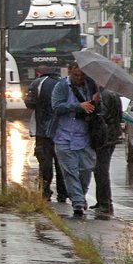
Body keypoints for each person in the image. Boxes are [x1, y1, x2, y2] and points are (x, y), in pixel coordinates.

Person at [49, 61, 99, 217]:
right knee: (70, 171)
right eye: (76, 75)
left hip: (85, 136)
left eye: (82, 75)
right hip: (64, 136)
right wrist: (78, 106)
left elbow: (96, 111)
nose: (79, 78)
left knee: (86, 169)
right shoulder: (62, 86)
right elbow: (56, 107)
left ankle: (80, 196)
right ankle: (77, 202)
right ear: (70, 72)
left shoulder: (91, 86)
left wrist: (96, 102)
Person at [25, 65, 66, 201]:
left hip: (42, 130)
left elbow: (30, 103)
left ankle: (45, 191)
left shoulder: (38, 83)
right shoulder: (63, 83)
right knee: (61, 162)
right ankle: (63, 193)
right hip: (61, 130)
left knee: (45, 162)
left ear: (39, 73)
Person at [93, 88, 122, 216]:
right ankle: (102, 201)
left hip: (104, 137)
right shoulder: (114, 93)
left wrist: (93, 106)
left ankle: (105, 203)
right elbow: (119, 116)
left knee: (101, 170)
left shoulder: (103, 95)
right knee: (100, 169)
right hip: (112, 135)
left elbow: (101, 114)